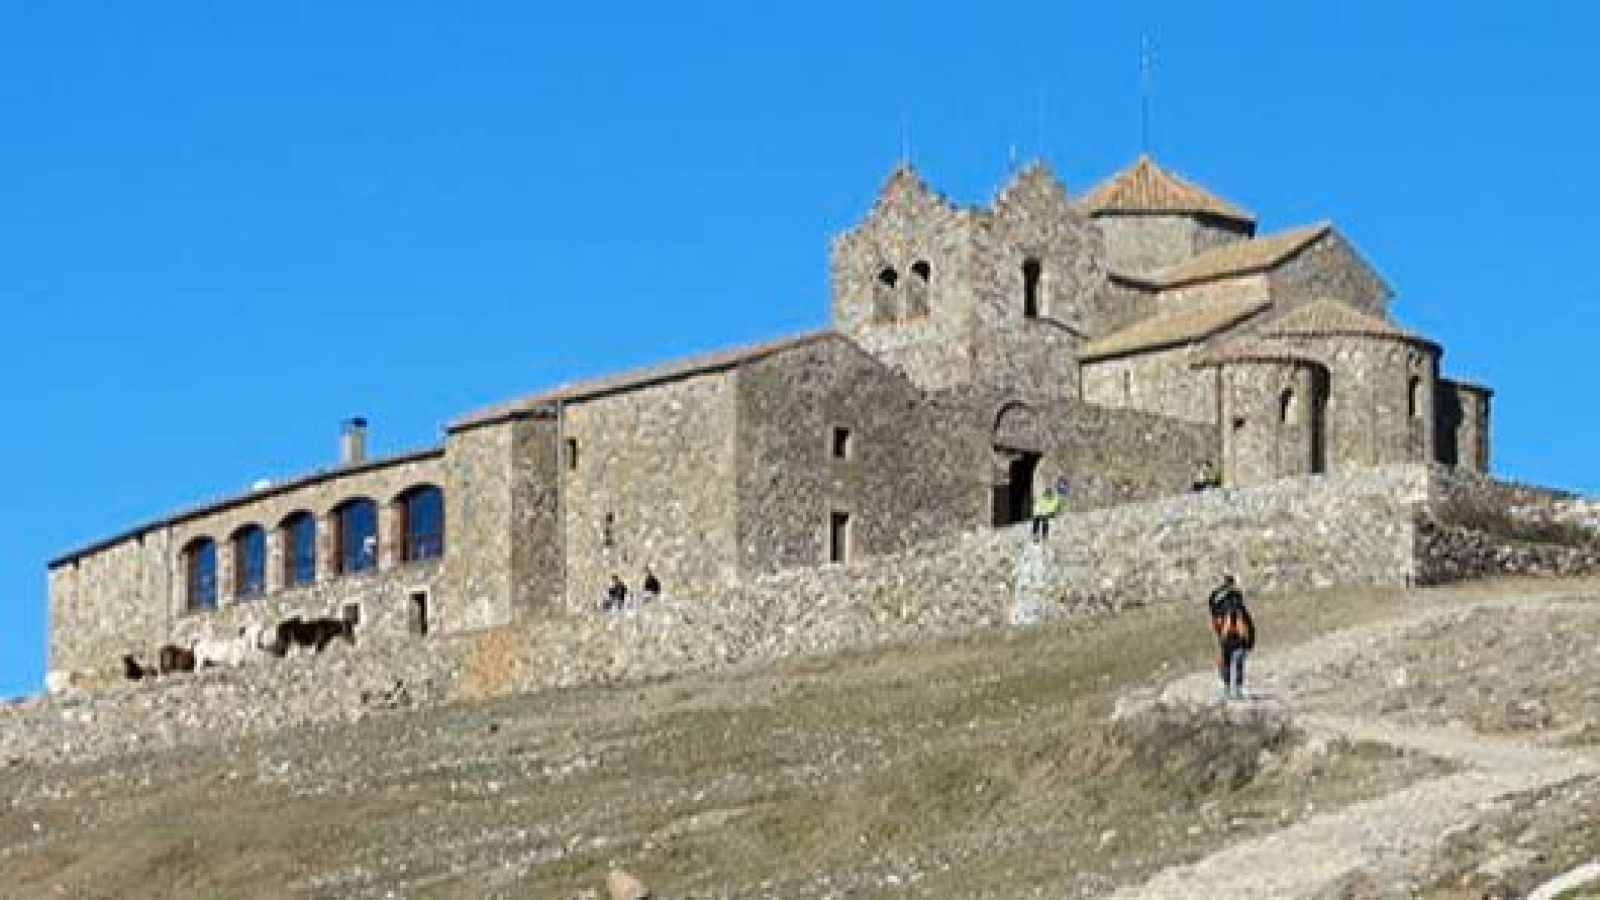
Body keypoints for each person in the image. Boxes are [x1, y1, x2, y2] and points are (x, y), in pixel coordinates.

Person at [1207, 574, 1256, 700]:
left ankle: (1230, 690)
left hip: (1230, 639)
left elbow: (1212, 604)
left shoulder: (1222, 608)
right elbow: (1249, 625)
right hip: (1235, 639)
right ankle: (1234, 690)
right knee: (1234, 663)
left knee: (1230, 663)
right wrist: (1250, 642)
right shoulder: (1238, 608)